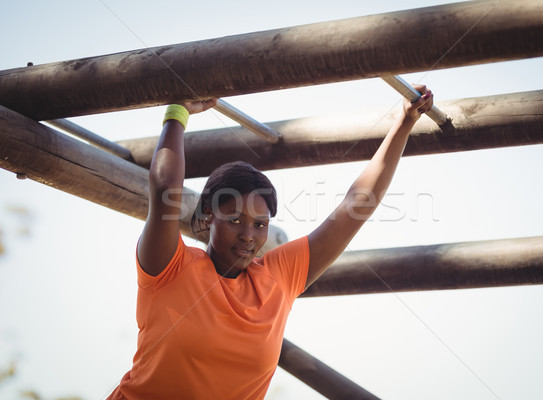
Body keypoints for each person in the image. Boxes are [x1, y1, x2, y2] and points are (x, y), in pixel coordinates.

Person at [107, 85, 434, 399]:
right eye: (235, 220)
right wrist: (177, 112)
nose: (249, 235)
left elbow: (355, 205)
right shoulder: (170, 267)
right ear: (208, 215)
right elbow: (165, 189)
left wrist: (403, 123)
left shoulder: (277, 277)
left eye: (260, 225)